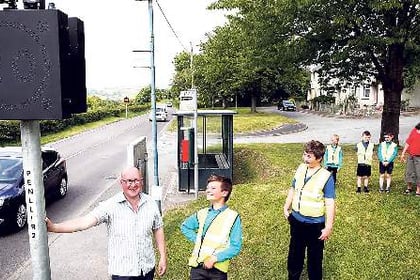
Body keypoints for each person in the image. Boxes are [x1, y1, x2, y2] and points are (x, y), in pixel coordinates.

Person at [45, 166, 167, 280]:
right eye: (129, 181)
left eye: (136, 180)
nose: (133, 185)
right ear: (122, 183)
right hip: (123, 274)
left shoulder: (150, 203)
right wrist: (54, 227)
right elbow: (84, 222)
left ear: (141, 182)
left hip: (146, 270)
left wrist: (163, 256)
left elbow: (158, 228)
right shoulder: (110, 206)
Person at [283, 140, 336, 280]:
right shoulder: (301, 168)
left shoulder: (326, 177)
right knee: (295, 254)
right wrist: (286, 206)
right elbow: (293, 188)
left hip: (315, 225)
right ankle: (293, 276)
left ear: (318, 158)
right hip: (296, 221)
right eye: (305, 154)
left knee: (315, 257)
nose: (305, 158)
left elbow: (330, 203)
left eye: (309, 156)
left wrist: (328, 227)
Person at [181, 174, 242, 280]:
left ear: (224, 192)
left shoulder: (233, 217)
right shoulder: (202, 213)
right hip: (198, 268)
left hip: (218, 271)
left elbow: (235, 246)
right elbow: (185, 227)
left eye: (213, 188)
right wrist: (199, 240)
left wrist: (215, 258)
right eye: (207, 188)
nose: (208, 190)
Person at [400, 122, 420, 196]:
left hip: (419, 157)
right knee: (409, 171)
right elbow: (408, 142)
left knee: (419, 173)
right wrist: (403, 153)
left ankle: (418, 191)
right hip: (411, 155)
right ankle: (409, 188)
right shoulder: (414, 130)